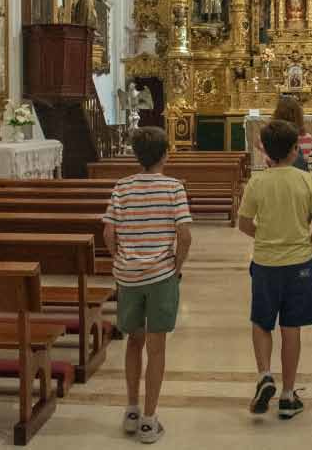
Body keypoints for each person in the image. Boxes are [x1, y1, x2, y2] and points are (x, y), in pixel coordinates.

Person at [102, 127, 193, 444]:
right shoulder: (174, 188)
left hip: (128, 276)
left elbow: (108, 232)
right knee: (157, 347)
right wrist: (175, 266)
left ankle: (130, 409)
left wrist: (121, 259)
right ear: (166, 154)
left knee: (133, 341)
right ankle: (149, 420)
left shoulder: (121, 187)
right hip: (161, 276)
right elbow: (185, 235)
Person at [238, 119, 312, 420]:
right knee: (292, 328)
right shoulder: (306, 180)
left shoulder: (257, 182)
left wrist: (265, 238)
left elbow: (243, 222)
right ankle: (289, 396)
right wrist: (305, 241)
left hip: (265, 263)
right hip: (300, 263)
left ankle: (265, 375)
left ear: (265, 151)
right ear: (294, 150)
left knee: (262, 322)